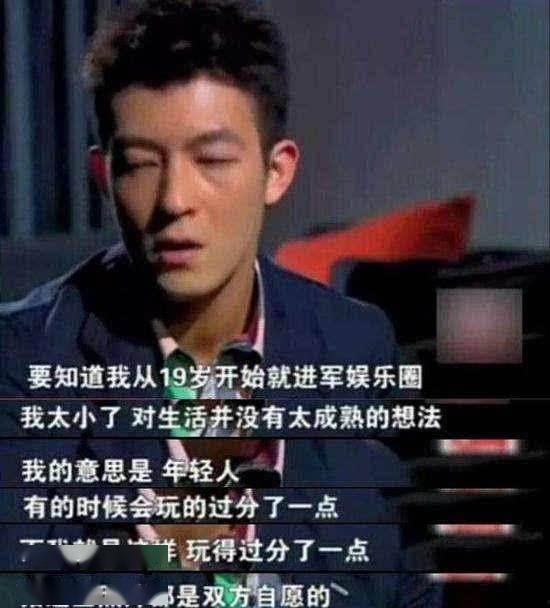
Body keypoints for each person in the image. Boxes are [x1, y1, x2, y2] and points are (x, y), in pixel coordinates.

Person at [0, 1, 442, 606]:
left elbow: (404, 581)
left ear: (275, 172)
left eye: (211, 160)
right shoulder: (22, 365)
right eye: (140, 165)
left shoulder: (354, 342)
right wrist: (157, 543)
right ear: (103, 177)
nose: (173, 200)